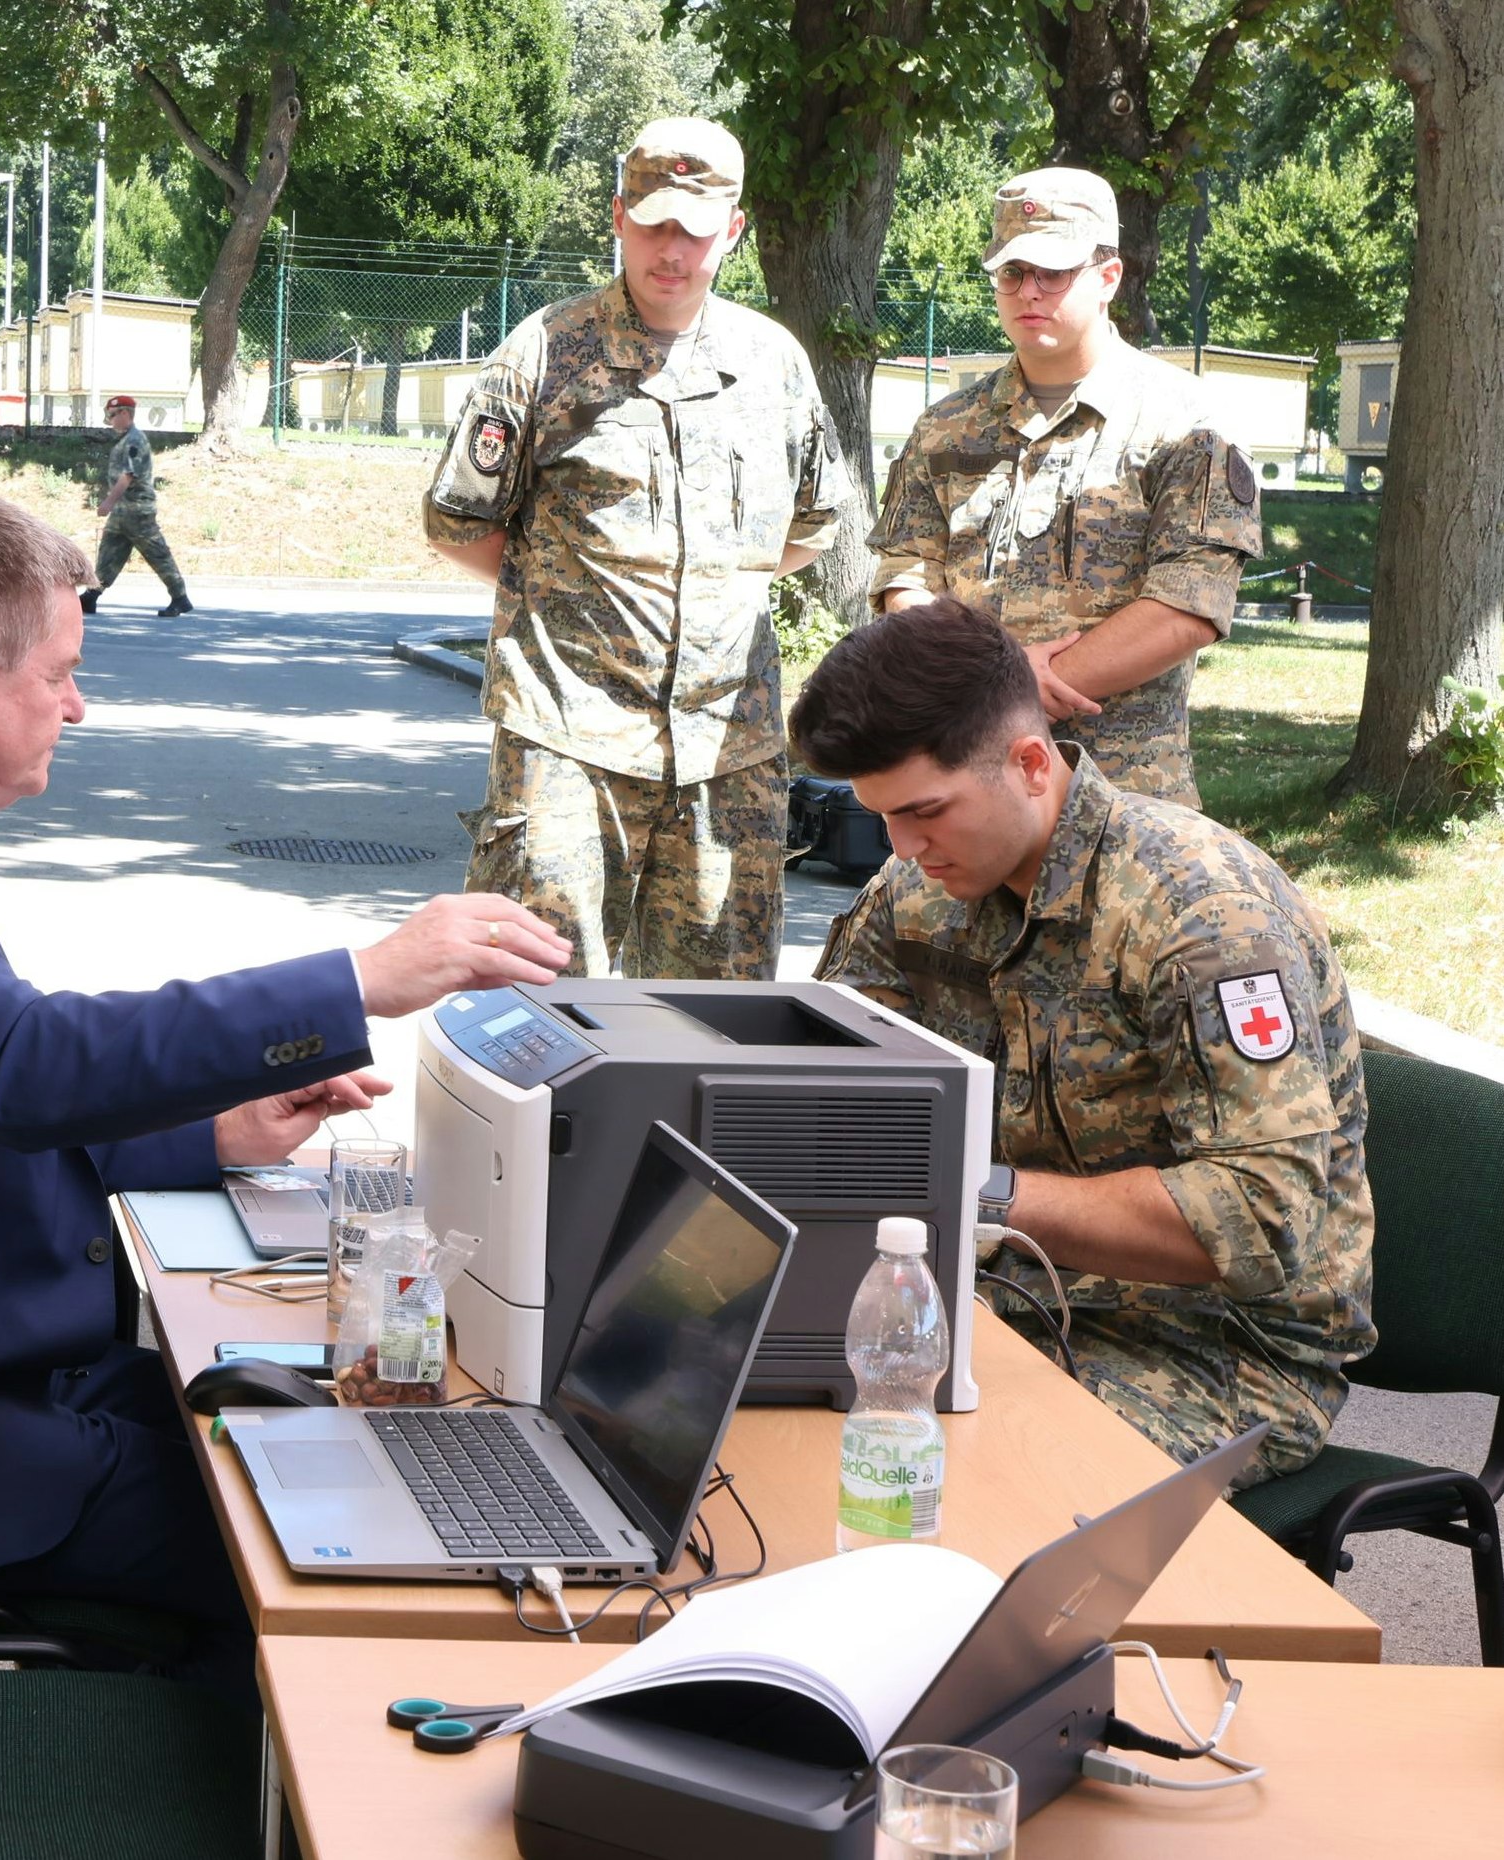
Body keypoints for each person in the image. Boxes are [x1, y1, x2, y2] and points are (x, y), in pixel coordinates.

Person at [0, 488, 571, 1674]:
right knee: (309, 1539)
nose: (77, 708)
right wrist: (355, 980)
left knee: (270, 1434)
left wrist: (219, 1132)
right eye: (61, 677)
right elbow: (19, 1068)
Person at [797, 599, 1371, 1486]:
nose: (903, 848)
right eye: (881, 818)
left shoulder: (1202, 916)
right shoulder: (917, 892)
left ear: (1031, 763)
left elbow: (1261, 1219)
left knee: (957, 1473)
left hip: (1209, 1347)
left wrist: (976, 1195)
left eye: (925, 812)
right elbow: (834, 1087)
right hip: (988, 1299)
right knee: (755, 1398)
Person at [424, 117, 852, 981]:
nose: (672, 250)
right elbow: (461, 525)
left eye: (695, 231)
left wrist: (709, 593)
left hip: (729, 749)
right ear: (617, 216)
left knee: (718, 1021)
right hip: (565, 738)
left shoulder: (774, 365)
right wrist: (567, 594)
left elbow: (812, 527)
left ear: (732, 230)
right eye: (653, 223)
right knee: (537, 1005)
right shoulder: (543, 354)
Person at [870, 167, 1264, 809]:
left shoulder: (1186, 425)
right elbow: (906, 578)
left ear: (1108, 276)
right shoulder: (944, 429)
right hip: (964, 785)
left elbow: (1188, 606)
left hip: (1124, 799)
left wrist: (1016, 689)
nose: (1030, 291)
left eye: (1054, 272)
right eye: (1012, 273)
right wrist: (978, 688)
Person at [81, 394, 194, 617]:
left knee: (156, 553)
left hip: (137, 510)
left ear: (125, 414)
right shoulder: (126, 440)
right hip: (123, 511)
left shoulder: (134, 440)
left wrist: (108, 502)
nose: (110, 420)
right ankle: (92, 595)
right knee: (110, 551)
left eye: (113, 415)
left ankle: (180, 597)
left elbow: (128, 475)